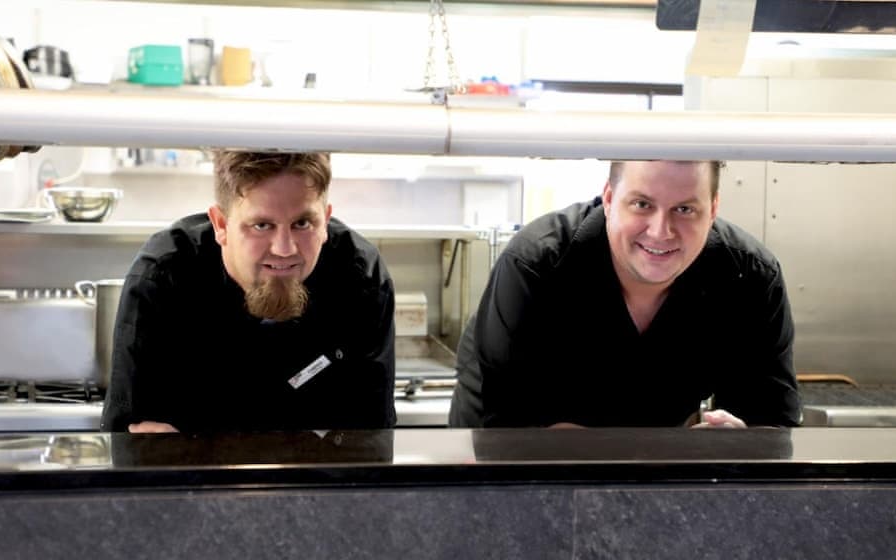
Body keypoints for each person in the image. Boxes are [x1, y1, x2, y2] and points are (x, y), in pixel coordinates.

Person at [449, 159, 801, 429]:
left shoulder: (750, 277)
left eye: (685, 209)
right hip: (508, 459)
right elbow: (508, 425)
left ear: (713, 210)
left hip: (655, 468)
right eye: (642, 204)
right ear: (608, 199)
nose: (661, 231)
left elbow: (771, 420)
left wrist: (739, 441)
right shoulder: (536, 265)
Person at [102, 151, 396, 433]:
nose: (284, 249)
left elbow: (371, 437)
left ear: (325, 222)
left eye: (302, 223)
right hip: (197, 469)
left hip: (317, 468)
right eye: (262, 225)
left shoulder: (360, 279)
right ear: (221, 224)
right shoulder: (164, 279)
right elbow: (135, 439)